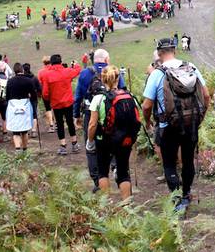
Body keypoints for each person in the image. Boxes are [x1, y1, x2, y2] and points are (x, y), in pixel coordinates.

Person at [142, 38, 209, 212]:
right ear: (175, 50)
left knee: (169, 163)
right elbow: (206, 95)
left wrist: (148, 121)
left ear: (159, 53)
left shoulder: (158, 73)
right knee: (188, 161)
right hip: (191, 123)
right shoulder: (191, 67)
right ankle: (187, 194)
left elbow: (147, 105)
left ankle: (178, 199)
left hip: (167, 126)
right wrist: (200, 117)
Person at [75, 49, 126, 192]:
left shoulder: (85, 73)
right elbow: (122, 90)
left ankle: (97, 180)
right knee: (114, 140)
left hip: (91, 112)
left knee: (90, 145)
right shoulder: (113, 71)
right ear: (106, 59)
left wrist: (76, 115)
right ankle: (115, 166)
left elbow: (78, 95)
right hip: (113, 112)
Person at [87, 65, 140, 203]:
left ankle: (107, 204)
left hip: (103, 139)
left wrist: (90, 141)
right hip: (124, 140)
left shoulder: (98, 98)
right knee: (123, 172)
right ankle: (127, 207)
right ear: (118, 78)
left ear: (103, 79)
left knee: (103, 172)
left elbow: (92, 124)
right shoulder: (129, 96)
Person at [40, 54, 82, 155]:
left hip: (56, 103)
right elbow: (77, 70)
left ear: (51, 62)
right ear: (60, 61)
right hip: (68, 102)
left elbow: (45, 93)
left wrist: (49, 99)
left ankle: (63, 146)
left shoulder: (47, 75)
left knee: (59, 124)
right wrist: (75, 64)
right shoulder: (67, 71)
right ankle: (74, 143)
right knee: (70, 122)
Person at [6, 63, 36, 154]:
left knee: (15, 130)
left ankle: (18, 149)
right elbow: (34, 95)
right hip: (25, 105)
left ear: (14, 71)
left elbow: (7, 96)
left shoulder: (10, 81)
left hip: (13, 105)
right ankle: (25, 149)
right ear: (22, 70)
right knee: (24, 130)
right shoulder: (28, 81)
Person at [38, 56, 56, 133]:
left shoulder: (41, 72)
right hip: (55, 91)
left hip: (45, 92)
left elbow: (39, 83)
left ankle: (51, 126)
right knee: (55, 107)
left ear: (43, 63)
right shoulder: (54, 70)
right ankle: (57, 124)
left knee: (48, 108)